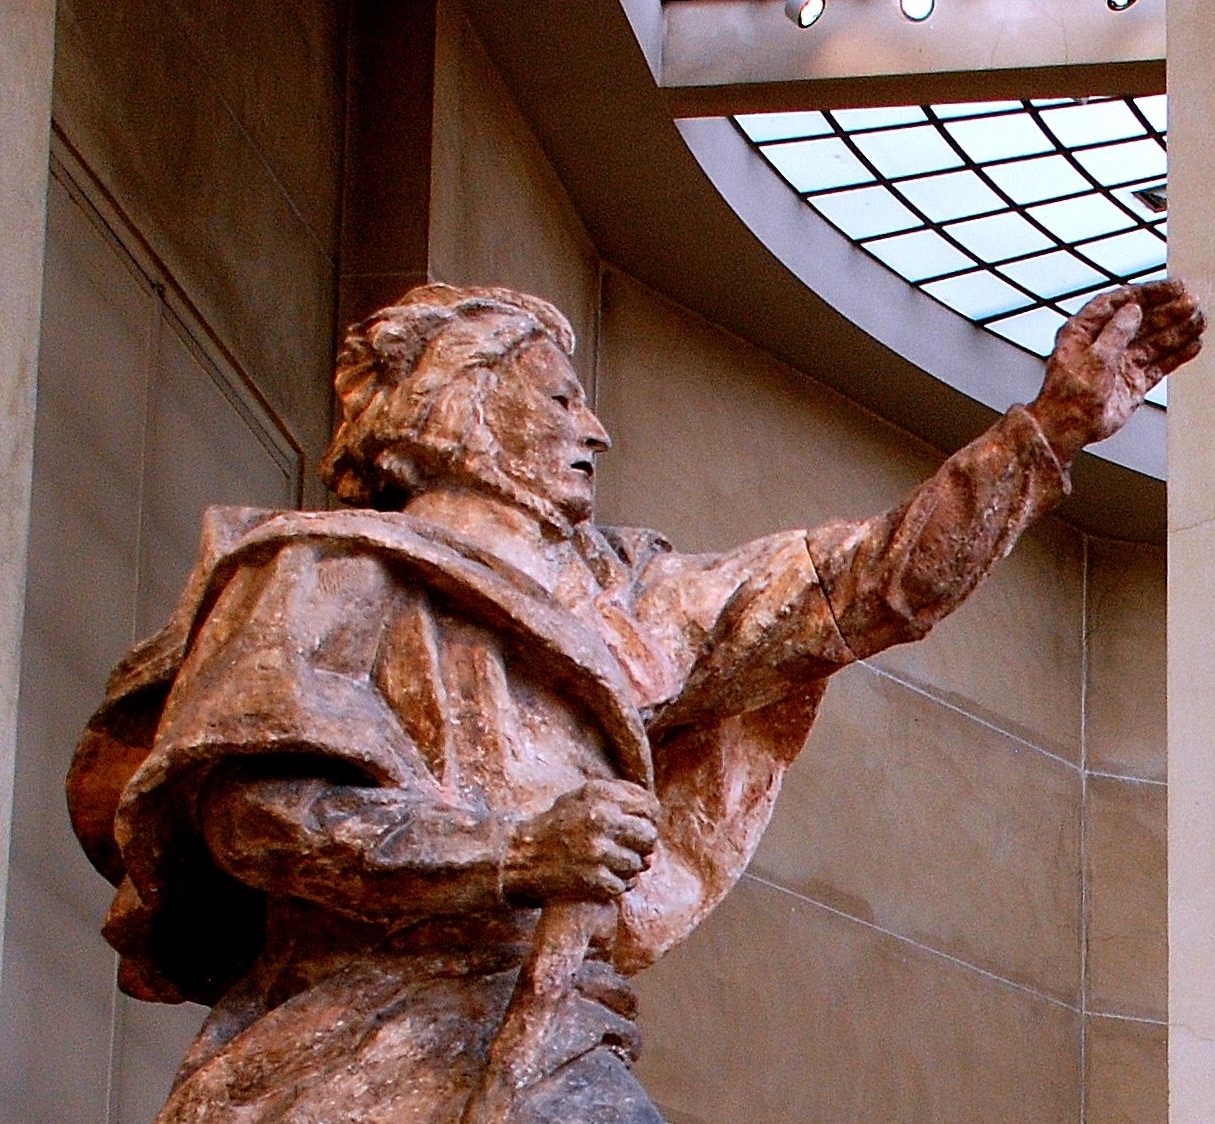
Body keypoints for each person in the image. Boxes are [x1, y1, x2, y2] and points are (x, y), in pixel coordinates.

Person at [68, 281, 1202, 1123]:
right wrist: (514, 852)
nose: (594, 430)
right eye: (557, 396)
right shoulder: (322, 569)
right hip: (348, 1045)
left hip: (557, 1039)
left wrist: (1048, 430)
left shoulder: (627, 597)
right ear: (456, 407)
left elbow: (869, 584)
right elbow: (256, 816)